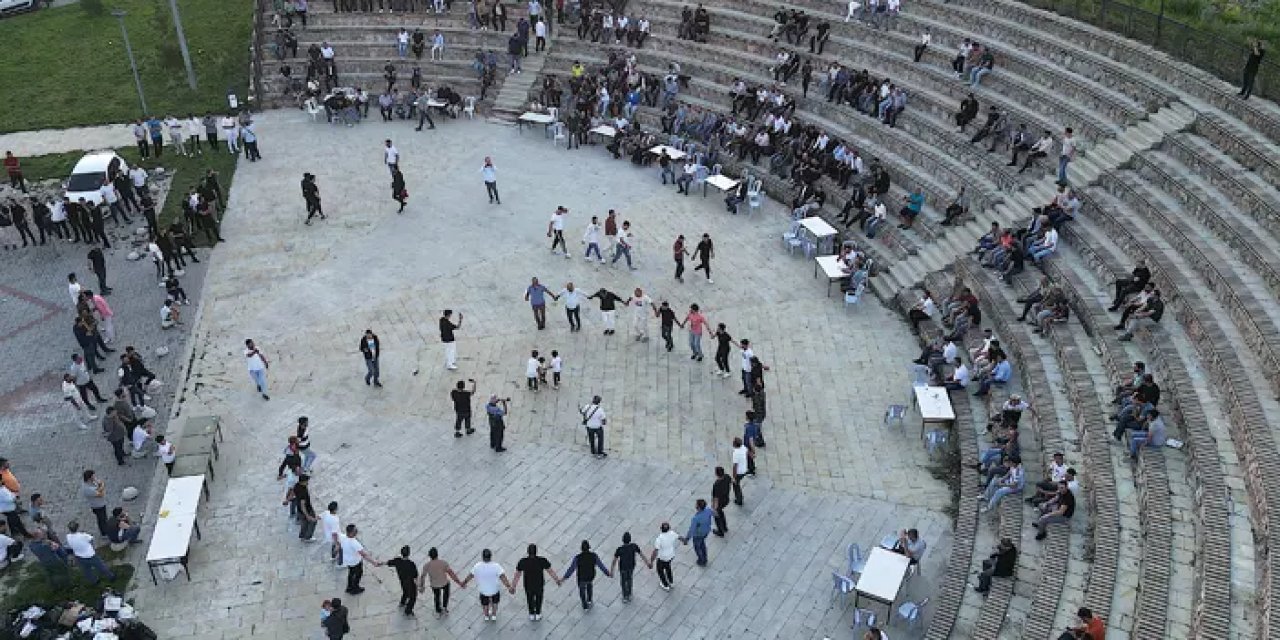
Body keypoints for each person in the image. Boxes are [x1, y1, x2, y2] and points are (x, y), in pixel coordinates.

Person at [511, 543, 560, 621]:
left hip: (528, 584)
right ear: (536, 551)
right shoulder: (542, 560)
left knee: (529, 598)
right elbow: (550, 571)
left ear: (528, 552)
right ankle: (538, 613)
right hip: (539, 584)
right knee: (539, 598)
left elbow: (517, 575)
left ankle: (531, 613)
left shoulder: (523, 561)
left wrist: (513, 586)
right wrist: (557, 579)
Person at [462, 549, 512, 622]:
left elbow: (470, 575)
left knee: (485, 604)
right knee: (495, 603)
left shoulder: (477, 566)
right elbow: (503, 577)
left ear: (482, 557)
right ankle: (494, 615)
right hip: (494, 589)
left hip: (483, 590)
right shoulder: (496, 566)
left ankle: (486, 615)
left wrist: (464, 582)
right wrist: (509, 587)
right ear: (490, 556)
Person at [562, 539, 611, 609]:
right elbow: (601, 565)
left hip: (581, 578)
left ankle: (585, 606)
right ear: (589, 548)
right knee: (589, 585)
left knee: (582, 590)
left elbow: (571, 569)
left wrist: (564, 578)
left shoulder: (577, 558)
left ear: (581, 549)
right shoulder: (594, 556)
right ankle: (589, 600)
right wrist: (607, 573)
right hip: (591, 576)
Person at [419, 547, 465, 618]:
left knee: (437, 596)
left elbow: (422, 576)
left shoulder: (426, 565)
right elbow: (451, 574)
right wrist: (459, 582)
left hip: (434, 585)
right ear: (437, 554)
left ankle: (438, 610)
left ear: (430, 556)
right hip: (444, 582)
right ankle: (445, 607)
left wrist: (422, 586)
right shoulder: (443, 563)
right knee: (446, 594)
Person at [340, 524, 382, 594]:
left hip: (348, 560)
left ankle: (349, 587)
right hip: (355, 562)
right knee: (358, 574)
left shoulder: (343, 537)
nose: (356, 531)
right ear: (351, 533)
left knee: (351, 573)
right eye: (355, 531)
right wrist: (374, 562)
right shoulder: (354, 543)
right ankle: (355, 588)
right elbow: (364, 555)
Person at [610, 532, 650, 603]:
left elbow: (614, 561)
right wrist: (647, 563)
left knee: (623, 581)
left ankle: (625, 596)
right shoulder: (634, 546)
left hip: (623, 567)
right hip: (631, 566)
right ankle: (630, 593)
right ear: (630, 539)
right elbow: (642, 555)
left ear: (623, 540)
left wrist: (612, 571)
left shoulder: (619, 549)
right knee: (629, 579)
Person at [386, 546, 420, 616]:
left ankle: (402, 602)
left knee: (405, 591)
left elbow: (388, 563)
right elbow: (415, 576)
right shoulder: (411, 564)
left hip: (402, 580)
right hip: (410, 583)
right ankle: (408, 610)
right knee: (413, 597)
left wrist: (379, 563)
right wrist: (419, 585)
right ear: (409, 554)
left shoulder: (397, 560)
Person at [680, 499, 714, 566]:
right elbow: (714, 513)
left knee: (697, 547)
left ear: (698, 507)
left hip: (698, 534)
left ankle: (701, 560)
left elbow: (692, 530)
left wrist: (687, 539)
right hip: (706, 531)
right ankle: (705, 557)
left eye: (696, 504)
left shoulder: (696, 518)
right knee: (702, 544)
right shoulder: (708, 510)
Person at [650, 522, 679, 590]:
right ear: (669, 528)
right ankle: (671, 582)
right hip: (671, 555)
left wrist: (651, 561)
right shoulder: (672, 533)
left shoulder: (659, 539)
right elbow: (679, 537)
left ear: (661, 529)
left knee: (660, 570)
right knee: (668, 567)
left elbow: (655, 551)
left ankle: (665, 584)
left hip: (662, 557)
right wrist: (685, 541)